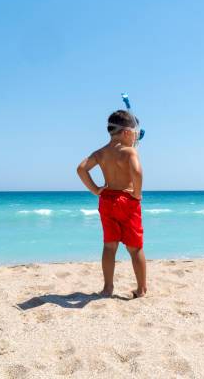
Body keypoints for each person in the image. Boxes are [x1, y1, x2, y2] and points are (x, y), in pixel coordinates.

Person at [76, 109, 146, 298]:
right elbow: (137, 173)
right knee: (135, 247)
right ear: (125, 133)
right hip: (127, 201)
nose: (135, 137)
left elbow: (81, 169)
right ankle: (141, 289)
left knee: (109, 246)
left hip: (107, 200)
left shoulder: (101, 153)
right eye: (134, 133)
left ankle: (108, 288)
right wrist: (137, 194)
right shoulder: (129, 151)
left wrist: (95, 189)